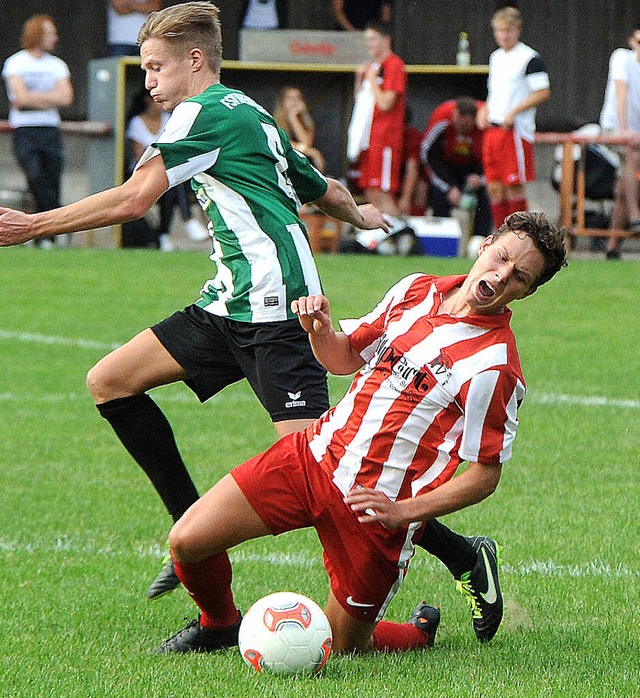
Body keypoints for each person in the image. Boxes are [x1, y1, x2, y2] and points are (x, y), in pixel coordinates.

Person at [0, 3, 504, 643]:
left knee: (332, 475)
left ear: (194, 60)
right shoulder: (247, 112)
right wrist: (364, 216)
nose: (148, 81)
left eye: (155, 67)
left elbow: (134, 199)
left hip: (283, 315)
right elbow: (319, 186)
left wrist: (31, 225)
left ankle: (464, 558)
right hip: (226, 305)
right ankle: (196, 542)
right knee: (112, 380)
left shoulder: (202, 114)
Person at [154, 211, 568, 655]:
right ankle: (218, 624)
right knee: (188, 540)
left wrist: (402, 511)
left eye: (519, 276)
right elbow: (344, 357)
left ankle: (419, 633)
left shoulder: (495, 366)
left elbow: (485, 475)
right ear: (485, 245)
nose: (501, 275)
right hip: (314, 456)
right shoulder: (416, 289)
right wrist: (319, 330)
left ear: (524, 292)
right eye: (502, 257)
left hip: (374, 511)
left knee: (338, 646)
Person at [2, 14, 73, 250]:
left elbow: (66, 97)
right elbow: (19, 98)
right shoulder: (16, 63)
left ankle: (47, 236)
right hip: (25, 129)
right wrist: (49, 98)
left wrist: (34, 99)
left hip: (49, 128)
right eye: (51, 33)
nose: (56, 38)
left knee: (52, 177)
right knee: (35, 176)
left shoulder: (57, 64)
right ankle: (56, 223)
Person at [476, 6, 551, 230]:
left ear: (517, 30)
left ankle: (520, 233)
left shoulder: (529, 58)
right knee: (494, 186)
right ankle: (501, 233)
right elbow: (496, 92)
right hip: (494, 129)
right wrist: (485, 109)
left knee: (513, 185)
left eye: (507, 30)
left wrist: (514, 111)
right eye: (499, 30)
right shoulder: (496, 57)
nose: (503, 35)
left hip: (514, 130)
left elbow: (542, 91)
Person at [124, 88, 209, 250]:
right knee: (171, 180)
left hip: (168, 172)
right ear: (148, 101)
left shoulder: (169, 119)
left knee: (172, 185)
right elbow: (140, 155)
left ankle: (166, 234)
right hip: (144, 172)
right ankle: (187, 219)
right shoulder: (137, 122)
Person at [348, 20, 407, 217]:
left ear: (386, 40)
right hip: (368, 139)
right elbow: (363, 103)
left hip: (385, 139)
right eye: (367, 40)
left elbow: (385, 103)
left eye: (373, 39)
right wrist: (361, 80)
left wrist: (372, 79)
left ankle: (402, 235)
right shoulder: (374, 66)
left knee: (382, 192)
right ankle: (385, 239)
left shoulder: (394, 65)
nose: (369, 44)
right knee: (370, 190)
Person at [421, 96, 492, 237]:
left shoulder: (486, 123)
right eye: (457, 124)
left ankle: (480, 239)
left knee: (487, 196)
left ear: (474, 119)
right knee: (438, 196)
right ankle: (441, 239)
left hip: (475, 168)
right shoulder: (441, 119)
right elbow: (427, 155)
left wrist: (481, 178)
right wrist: (449, 187)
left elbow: (496, 158)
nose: (460, 130)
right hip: (446, 167)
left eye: (465, 126)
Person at [599, 24, 640, 259]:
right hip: (614, 127)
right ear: (631, 41)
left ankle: (612, 245)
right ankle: (635, 214)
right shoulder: (621, 58)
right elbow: (621, 93)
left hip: (634, 134)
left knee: (624, 185)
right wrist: (625, 131)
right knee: (631, 158)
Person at [273, 85, 326, 172]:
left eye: (298, 98)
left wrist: (293, 118)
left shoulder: (306, 122)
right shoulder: (275, 122)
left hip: (302, 165)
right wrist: (308, 151)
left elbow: (307, 143)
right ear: (282, 101)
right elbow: (281, 143)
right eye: (290, 98)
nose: (294, 102)